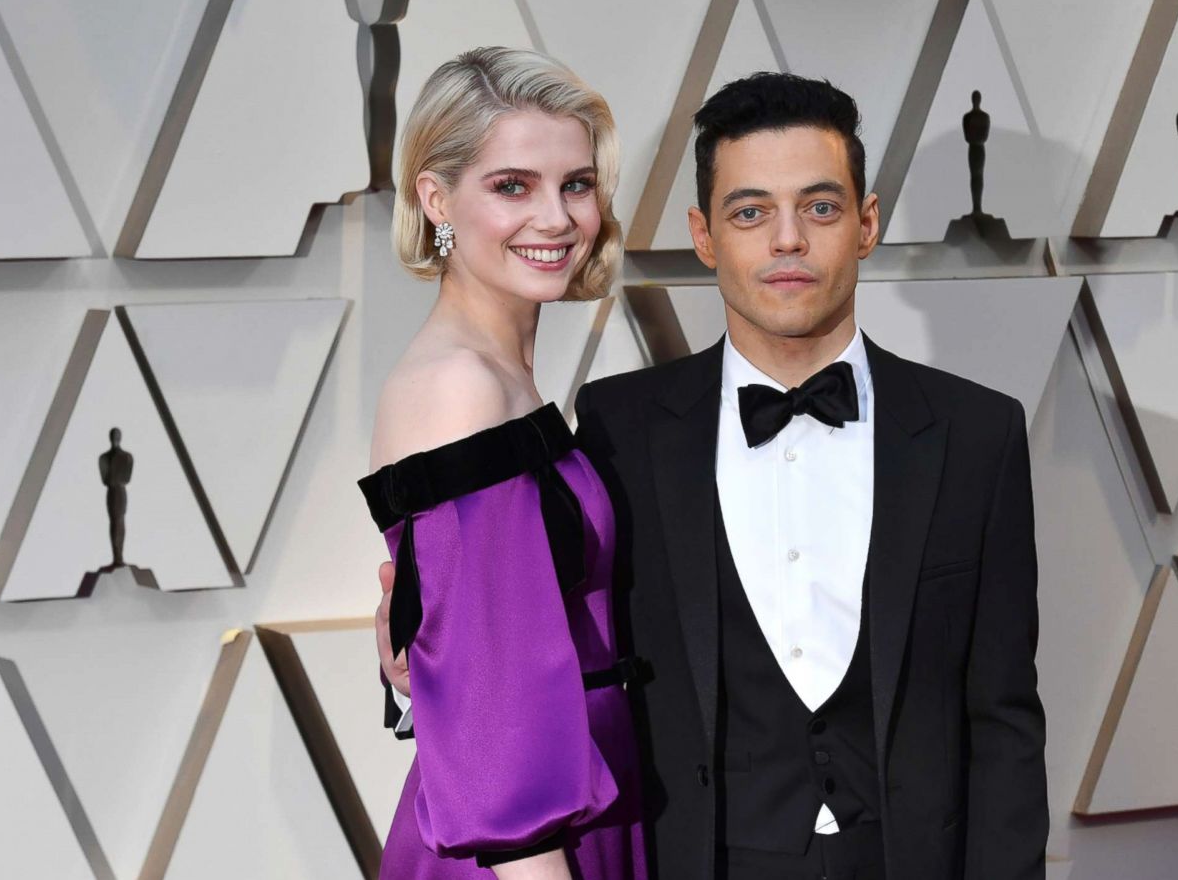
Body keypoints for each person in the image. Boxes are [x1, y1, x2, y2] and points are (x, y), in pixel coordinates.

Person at [380, 71, 1048, 880]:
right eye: (750, 211)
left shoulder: (979, 433)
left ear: (867, 224)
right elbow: (498, 655)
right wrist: (433, 671)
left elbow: (1005, 720)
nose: (788, 240)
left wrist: (421, 663)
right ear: (704, 235)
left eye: (822, 207)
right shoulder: (617, 425)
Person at [356, 46, 645, 880]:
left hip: (579, 800)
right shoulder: (459, 388)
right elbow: (493, 707)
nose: (555, 218)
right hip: (530, 847)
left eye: (576, 184)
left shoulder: (501, 376)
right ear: (436, 197)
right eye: (512, 186)